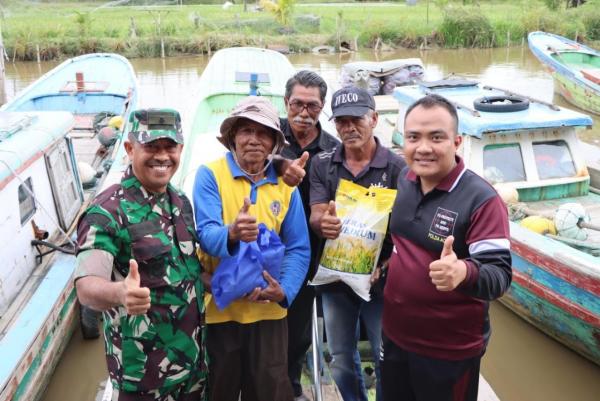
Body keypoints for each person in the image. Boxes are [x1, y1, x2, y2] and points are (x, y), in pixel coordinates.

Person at [381, 94, 512, 401]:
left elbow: (500, 276)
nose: (423, 147)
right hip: (395, 336)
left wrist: (462, 271)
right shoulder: (405, 177)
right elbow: (400, 240)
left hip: (448, 353)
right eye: (413, 137)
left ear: (457, 142)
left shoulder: (482, 200)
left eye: (436, 137)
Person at [75, 108, 208, 401]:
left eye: (169, 147)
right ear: (129, 148)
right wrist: (120, 292)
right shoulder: (107, 211)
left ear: (180, 149)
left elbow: (186, 271)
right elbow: (86, 286)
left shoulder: (179, 200)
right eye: (151, 146)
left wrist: (233, 278)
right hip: (144, 378)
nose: (162, 156)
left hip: (193, 368)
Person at [192, 96, 310, 401]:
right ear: (233, 137)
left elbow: (298, 247)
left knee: (270, 391)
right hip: (222, 311)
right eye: (246, 131)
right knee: (221, 389)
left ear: (273, 142)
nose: (254, 140)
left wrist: (283, 290)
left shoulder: (285, 186)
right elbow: (206, 233)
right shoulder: (211, 175)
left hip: (268, 314)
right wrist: (231, 233)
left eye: (263, 133)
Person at [309, 86, 406, 401]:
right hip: (336, 281)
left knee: (386, 356)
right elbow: (317, 214)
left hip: (382, 284)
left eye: (356, 120)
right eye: (341, 122)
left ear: (374, 119)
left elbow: (408, 232)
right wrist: (323, 224)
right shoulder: (322, 164)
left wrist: (385, 265)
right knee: (340, 358)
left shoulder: (398, 168)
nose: (348, 128)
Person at [279, 70, 339, 401]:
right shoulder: (267, 136)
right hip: (265, 247)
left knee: (298, 327)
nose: (304, 112)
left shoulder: (333, 149)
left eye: (312, 105)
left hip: (311, 253)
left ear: (322, 107)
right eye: (297, 103)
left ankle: (289, 387)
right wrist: (277, 164)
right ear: (286, 102)